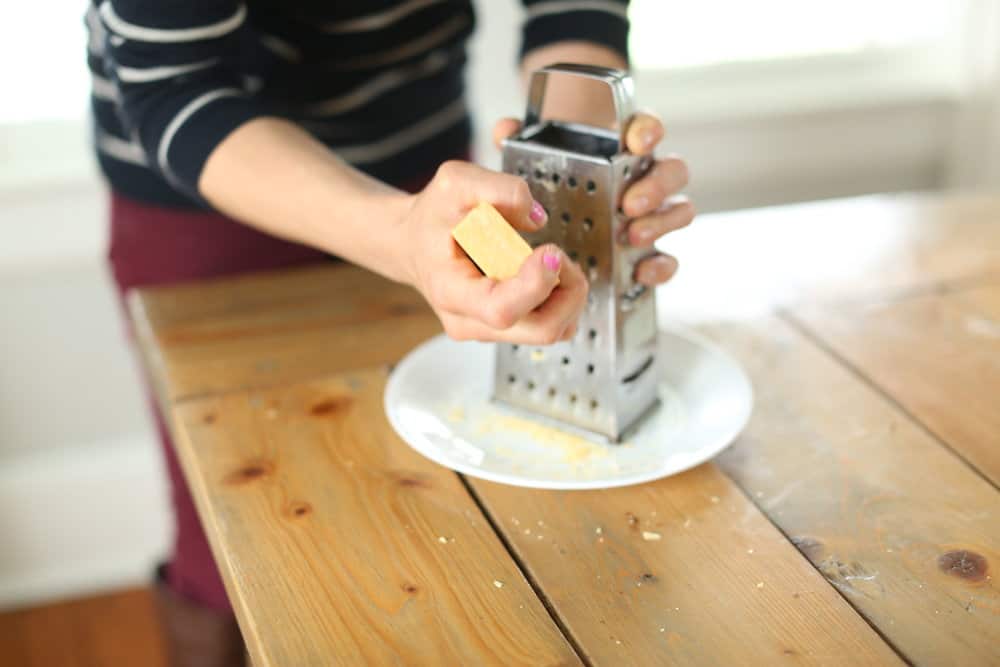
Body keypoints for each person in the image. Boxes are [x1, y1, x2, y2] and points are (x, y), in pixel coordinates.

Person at [85, 1, 695, 664]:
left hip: (418, 156)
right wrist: (401, 235)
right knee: (235, 543)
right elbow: (174, 84)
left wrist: (584, 155)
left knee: (427, 521)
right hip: (211, 196)